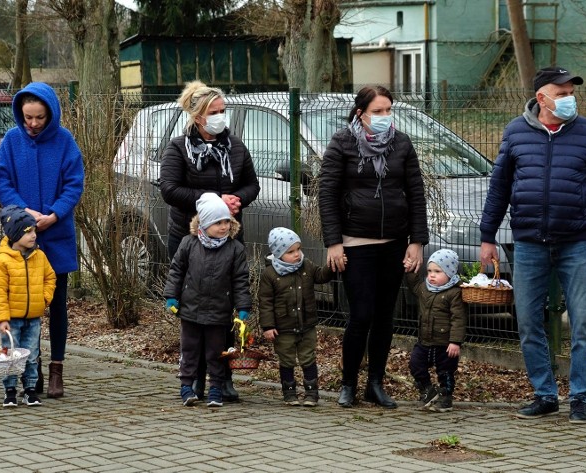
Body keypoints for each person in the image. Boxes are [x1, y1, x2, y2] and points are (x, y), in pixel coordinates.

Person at [479, 66, 586, 424]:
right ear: (541, 98)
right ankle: (545, 394)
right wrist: (487, 236)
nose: (569, 98)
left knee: (583, 323)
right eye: (561, 93)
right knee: (528, 323)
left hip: (576, 242)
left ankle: (580, 398)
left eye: (571, 92)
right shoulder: (515, 132)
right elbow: (499, 188)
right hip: (528, 243)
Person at [318, 85, 429, 409]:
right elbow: (327, 195)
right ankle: (348, 383)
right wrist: (334, 243)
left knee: (384, 316)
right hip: (356, 244)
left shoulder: (402, 143)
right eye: (377, 111)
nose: (384, 117)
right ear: (360, 113)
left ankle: (375, 384)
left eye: (388, 110)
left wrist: (416, 242)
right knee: (361, 314)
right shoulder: (342, 143)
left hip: (394, 244)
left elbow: (416, 194)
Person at [159, 80, 260, 402]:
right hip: (190, 238)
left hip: (229, 237)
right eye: (214, 112)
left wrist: (236, 201)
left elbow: (252, 185)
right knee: (195, 315)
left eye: (223, 111)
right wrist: (214, 200)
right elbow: (170, 190)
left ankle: (223, 377)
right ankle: (195, 378)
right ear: (198, 117)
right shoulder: (178, 148)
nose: (221, 117)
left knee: (224, 312)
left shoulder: (236, 147)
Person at [0, 82, 85, 399]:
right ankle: (34, 367)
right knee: (23, 307)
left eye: (39, 118)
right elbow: (1, 179)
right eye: (28, 117)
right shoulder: (12, 140)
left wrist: (55, 214)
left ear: (51, 114)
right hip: (22, 236)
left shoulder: (65, 142)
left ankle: (57, 368)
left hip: (56, 234)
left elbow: (74, 184)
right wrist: (23, 211)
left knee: (56, 305)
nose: (32, 124)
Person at [163, 192, 251, 408]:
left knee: (216, 353)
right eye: (218, 222)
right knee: (190, 351)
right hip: (190, 310)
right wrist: (171, 296)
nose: (224, 227)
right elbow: (177, 271)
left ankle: (215, 389)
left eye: (227, 222)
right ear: (203, 224)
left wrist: (243, 307)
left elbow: (240, 280)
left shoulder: (234, 249)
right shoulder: (188, 244)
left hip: (219, 312)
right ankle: (186, 386)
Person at [259, 227, 339, 407]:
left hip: (307, 323)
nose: (297, 254)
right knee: (286, 359)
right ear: (278, 254)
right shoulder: (269, 275)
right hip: (283, 326)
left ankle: (312, 393)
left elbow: (320, 275)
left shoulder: (306, 266)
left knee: (308, 357)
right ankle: (289, 392)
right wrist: (267, 326)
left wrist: (331, 267)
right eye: (290, 252)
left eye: (298, 249)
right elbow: (265, 302)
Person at [0, 205, 57, 407]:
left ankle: (29, 389)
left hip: (33, 318)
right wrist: (2, 318)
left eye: (34, 231)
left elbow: (50, 277)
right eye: (28, 232)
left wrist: (44, 299)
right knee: (9, 356)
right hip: (11, 321)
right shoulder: (2, 261)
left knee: (31, 355)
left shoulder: (40, 256)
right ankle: (9, 390)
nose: (33, 236)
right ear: (15, 234)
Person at [404, 249, 467, 412]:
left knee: (445, 371)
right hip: (424, 340)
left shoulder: (455, 292)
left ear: (450, 272)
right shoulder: (425, 289)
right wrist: (410, 270)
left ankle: (445, 397)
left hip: (445, 344)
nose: (432, 275)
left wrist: (455, 342)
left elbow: (458, 319)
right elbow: (413, 285)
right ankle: (427, 390)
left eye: (438, 272)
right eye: (430, 271)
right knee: (416, 364)